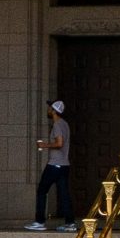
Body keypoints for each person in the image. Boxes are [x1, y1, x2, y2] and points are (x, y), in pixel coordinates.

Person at [28, 98, 70, 230]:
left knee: (42, 190)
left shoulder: (57, 125)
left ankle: (40, 221)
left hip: (55, 164)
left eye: (50, 108)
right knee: (64, 194)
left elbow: (59, 143)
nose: (48, 109)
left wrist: (44, 145)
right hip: (64, 165)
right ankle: (70, 222)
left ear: (53, 111)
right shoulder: (65, 124)